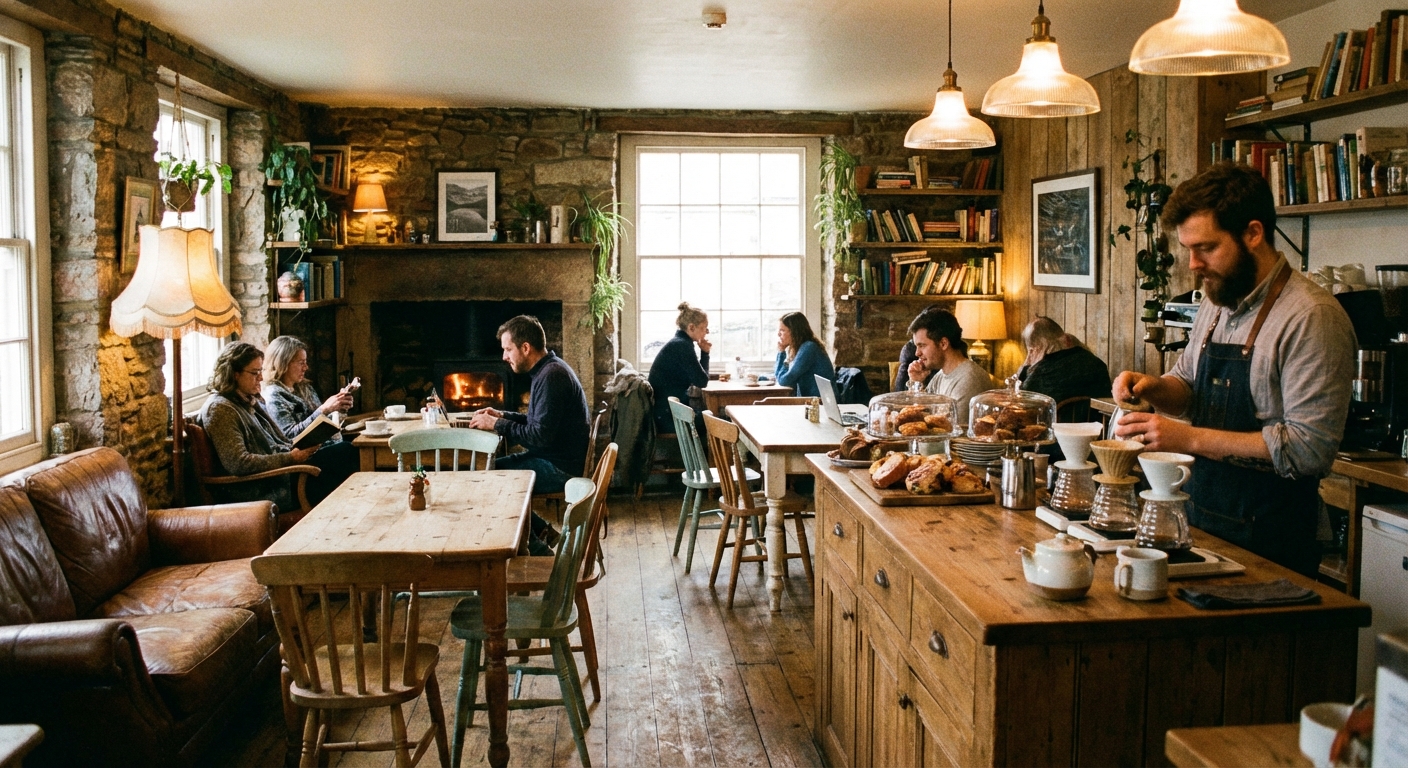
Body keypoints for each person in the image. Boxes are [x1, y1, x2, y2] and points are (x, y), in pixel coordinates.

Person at [1111, 161, 1356, 577]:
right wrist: (1154, 387)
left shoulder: (1312, 317)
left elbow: (1308, 449)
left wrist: (1187, 437)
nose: (1193, 264)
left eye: (1205, 248)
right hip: (1205, 524)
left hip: (1273, 544)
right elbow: (1187, 384)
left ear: (1253, 233)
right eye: (1188, 249)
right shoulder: (1216, 300)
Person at [467, 315, 590, 555]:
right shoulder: (547, 370)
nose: (504, 357)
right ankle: (541, 532)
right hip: (553, 458)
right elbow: (538, 422)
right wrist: (502, 415)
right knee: (483, 472)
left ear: (526, 347)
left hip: (560, 467)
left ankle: (537, 549)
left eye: (508, 349)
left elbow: (538, 435)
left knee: (486, 480)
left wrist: (497, 424)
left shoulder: (552, 376)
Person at [198, 341, 357, 512]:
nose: (260, 378)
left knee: (347, 452)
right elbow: (239, 463)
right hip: (267, 487)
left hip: (283, 474)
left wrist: (308, 447)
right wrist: (291, 458)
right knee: (346, 455)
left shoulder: (246, 400)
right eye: (254, 373)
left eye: (261, 372)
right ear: (234, 374)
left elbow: (280, 439)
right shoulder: (220, 409)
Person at [907, 308, 993, 425]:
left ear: (943, 344)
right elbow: (918, 418)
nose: (917, 353)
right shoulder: (941, 375)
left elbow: (955, 432)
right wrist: (916, 383)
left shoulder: (969, 379)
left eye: (922, 345)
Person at [261, 335, 353, 443]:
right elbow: (289, 436)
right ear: (283, 363)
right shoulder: (273, 395)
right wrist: (324, 410)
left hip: (326, 444)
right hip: (305, 454)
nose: (306, 367)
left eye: (305, 362)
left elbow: (322, 424)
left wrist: (338, 409)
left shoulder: (305, 387)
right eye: (301, 363)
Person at [1016, 316, 1112, 405]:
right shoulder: (1097, 363)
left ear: (1034, 349)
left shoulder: (1039, 373)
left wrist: (1026, 366)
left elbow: (1020, 400)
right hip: (1097, 422)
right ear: (1065, 338)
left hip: (1053, 423)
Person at [648, 302, 710, 433]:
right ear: (691, 327)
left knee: (712, 417)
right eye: (704, 328)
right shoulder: (682, 346)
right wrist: (705, 353)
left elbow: (699, 379)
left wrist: (704, 353)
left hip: (668, 412)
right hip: (668, 417)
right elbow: (702, 381)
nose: (706, 332)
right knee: (717, 420)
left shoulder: (679, 343)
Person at [774, 312, 834, 398]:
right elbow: (782, 377)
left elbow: (784, 381)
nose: (778, 334)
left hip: (820, 403)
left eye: (782, 330)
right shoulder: (802, 347)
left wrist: (781, 353)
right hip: (812, 401)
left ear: (794, 332)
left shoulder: (809, 348)